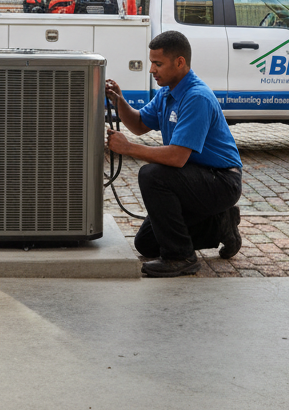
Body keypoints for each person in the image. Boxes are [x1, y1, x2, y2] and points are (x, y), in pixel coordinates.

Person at [104, 30, 243, 277]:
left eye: (158, 64)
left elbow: (177, 158)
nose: (151, 70)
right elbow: (138, 125)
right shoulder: (167, 92)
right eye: (151, 63)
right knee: (146, 244)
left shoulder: (196, 97)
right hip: (194, 179)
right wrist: (120, 102)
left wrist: (128, 149)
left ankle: (180, 258)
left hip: (221, 181)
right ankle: (220, 225)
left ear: (180, 62)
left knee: (152, 175)